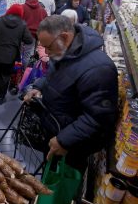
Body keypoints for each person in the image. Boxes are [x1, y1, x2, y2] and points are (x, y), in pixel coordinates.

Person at [24, 16, 118, 171]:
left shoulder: (99, 69)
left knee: (59, 185)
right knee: (49, 174)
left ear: (64, 37)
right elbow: (53, 77)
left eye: (49, 47)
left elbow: (99, 117)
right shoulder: (64, 52)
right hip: (54, 131)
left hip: (73, 146)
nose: (46, 52)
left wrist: (64, 140)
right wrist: (39, 87)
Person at [0, 5, 33, 104]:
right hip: (10, 56)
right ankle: (1, 96)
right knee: (5, 76)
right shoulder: (22, 25)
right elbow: (29, 40)